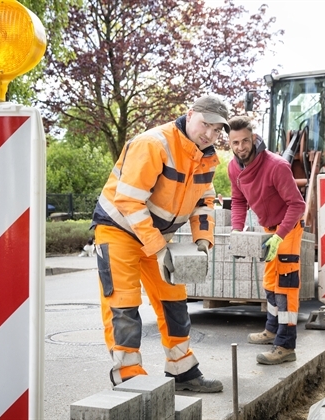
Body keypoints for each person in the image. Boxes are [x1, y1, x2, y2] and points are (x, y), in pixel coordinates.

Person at [91, 95, 229, 392]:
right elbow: (128, 200)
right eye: (205, 124)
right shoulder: (153, 143)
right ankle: (129, 378)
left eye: (217, 129)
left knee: (174, 301)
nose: (209, 133)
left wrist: (202, 240)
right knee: (124, 305)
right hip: (117, 231)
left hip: (154, 237)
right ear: (190, 114)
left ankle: (182, 371)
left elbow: (204, 201)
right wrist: (159, 246)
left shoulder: (206, 156)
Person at [227, 115, 306, 365]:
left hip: (288, 228)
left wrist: (279, 236)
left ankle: (285, 345)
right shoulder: (233, 168)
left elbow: (297, 205)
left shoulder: (276, 166)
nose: (241, 147)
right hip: (267, 230)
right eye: (235, 143)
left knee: (285, 285)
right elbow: (239, 200)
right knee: (270, 283)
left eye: (245, 141)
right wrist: (237, 230)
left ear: (254, 138)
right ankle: (272, 330)